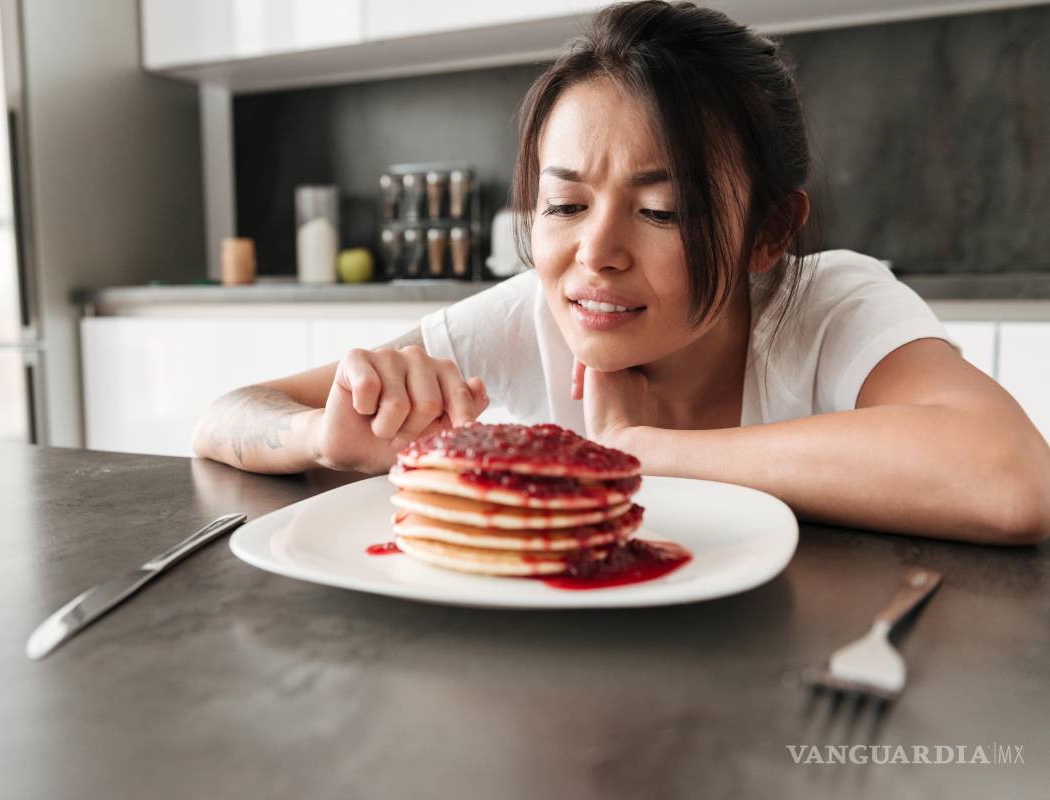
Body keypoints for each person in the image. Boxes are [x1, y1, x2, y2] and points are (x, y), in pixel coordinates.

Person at [192, 1, 1050, 545]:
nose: (594, 254)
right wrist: (323, 436)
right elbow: (227, 414)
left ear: (769, 233)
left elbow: (1011, 479)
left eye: (663, 211)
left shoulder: (828, 308)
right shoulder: (531, 313)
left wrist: (642, 452)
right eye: (564, 206)